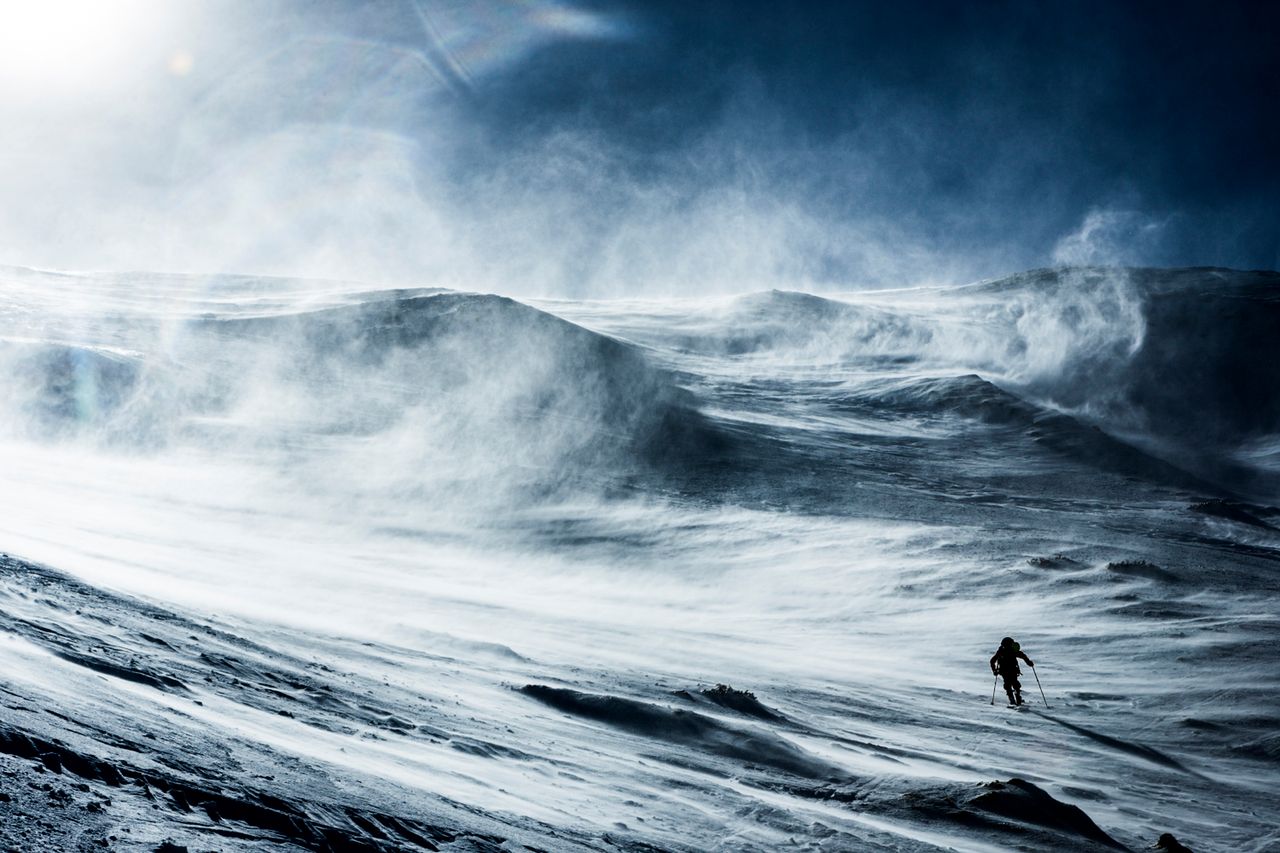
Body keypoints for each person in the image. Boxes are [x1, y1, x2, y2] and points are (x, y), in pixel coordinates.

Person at [990, 637, 1034, 705]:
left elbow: (992, 661)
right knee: (1015, 683)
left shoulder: (1000, 651)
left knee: (1008, 684)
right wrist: (1029, 663)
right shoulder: (1012, 650)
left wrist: (994, 670)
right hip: (1013, 670)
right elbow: (1022, 656)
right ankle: (1017, 696)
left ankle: (1011, 698)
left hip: (1004, 671)